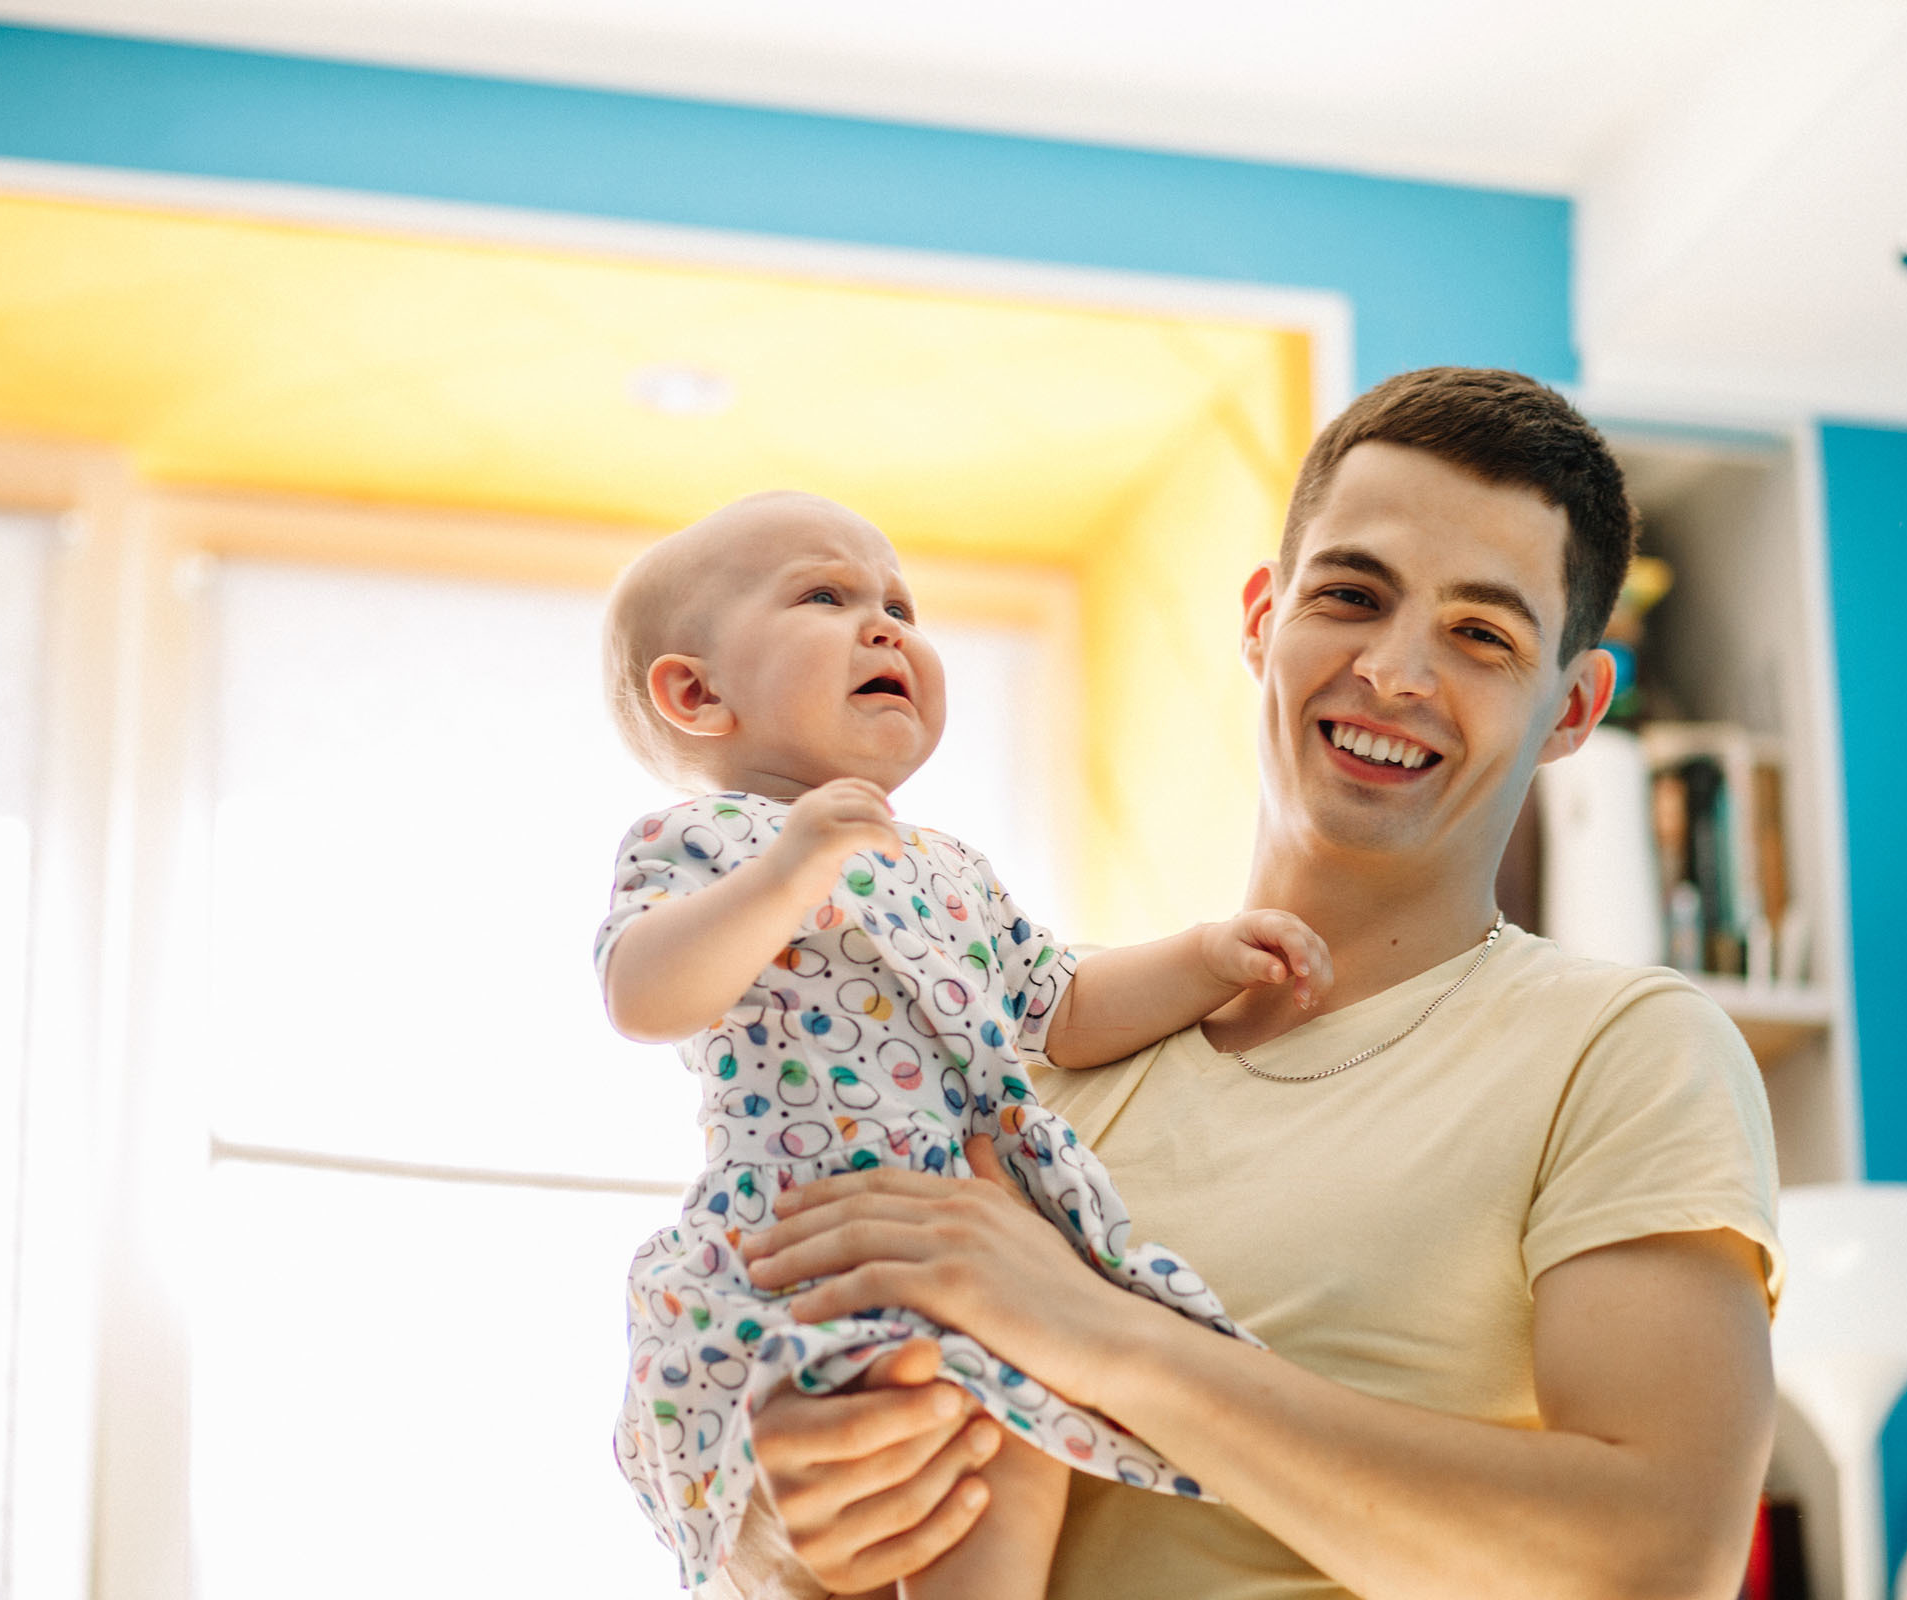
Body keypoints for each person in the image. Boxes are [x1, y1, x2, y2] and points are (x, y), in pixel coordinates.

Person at [723, 368, 1785, 1600]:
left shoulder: (1623, 1049)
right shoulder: (1017, 1056)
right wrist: (782, 1528)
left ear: (1573, 708)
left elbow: (1655, 1560)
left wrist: (1107, 1338)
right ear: (1260, 619)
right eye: (1351, 596)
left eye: (1482, 634)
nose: (1393, 672)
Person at [595, 490, 1337, 1597]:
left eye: (899, 602)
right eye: (824, 595)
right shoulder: (704, 841)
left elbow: (1065, 1003)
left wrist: (1203, 957)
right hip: (806, 1246)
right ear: (697, 692)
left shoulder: (947, 866)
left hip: (968, 1241)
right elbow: (643, 990)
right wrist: (788, 872)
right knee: (876, 1462)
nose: (887, 624)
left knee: (1015, 1451)